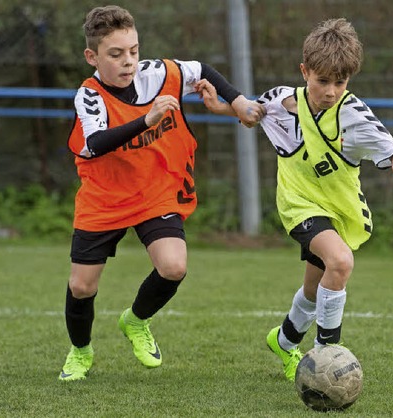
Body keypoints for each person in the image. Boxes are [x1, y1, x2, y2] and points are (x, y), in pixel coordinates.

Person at [200, 18, 393, 381]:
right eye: (323, 81)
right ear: (305, 72)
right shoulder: (281, 100)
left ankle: (283, 341)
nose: (331, 91)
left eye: (340, 82)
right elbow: (254, 114)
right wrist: (223, 108)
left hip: (338, 209)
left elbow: (386, 141)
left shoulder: (352, 114)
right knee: (341, 262)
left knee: (316, 289)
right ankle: (326, 357)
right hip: (298, 203)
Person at [59, 5, 264, 381]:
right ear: (92, 56)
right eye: (116, 54)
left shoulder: (158, 73)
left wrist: (238, 103)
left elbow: (201, 71)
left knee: (174, 266)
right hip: (105, 198)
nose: (128, 62)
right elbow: (97, 141)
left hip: (156, 191)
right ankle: (81, 351)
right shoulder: (88, 96)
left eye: (134, 51)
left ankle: (135, 321)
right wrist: (147, 119)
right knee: (82, 286)